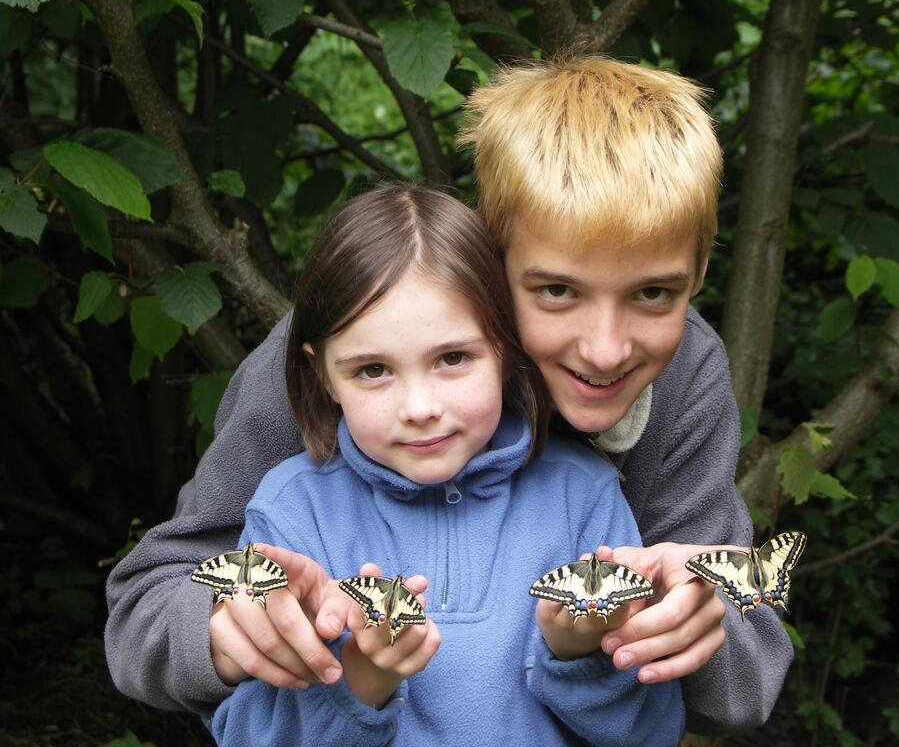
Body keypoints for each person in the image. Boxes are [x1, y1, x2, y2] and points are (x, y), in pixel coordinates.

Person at [104, 56, 793, 733]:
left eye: (653, 293)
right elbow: (149, 609)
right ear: (492, 252)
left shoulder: (683, 371)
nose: (607, 349)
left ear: (698, 273)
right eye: (556, 290)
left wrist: (688, 617)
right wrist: (226, 629)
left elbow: (744, 683)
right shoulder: (354, 345)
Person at [207, 184, 683, 746]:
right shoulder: (290, 514)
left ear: (506, 351)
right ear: (322, 375)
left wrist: (580, 654)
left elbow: (654, 732)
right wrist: (363, 678)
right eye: (372, 371)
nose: (420, 409)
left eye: (453, 359)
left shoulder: (585, 496)